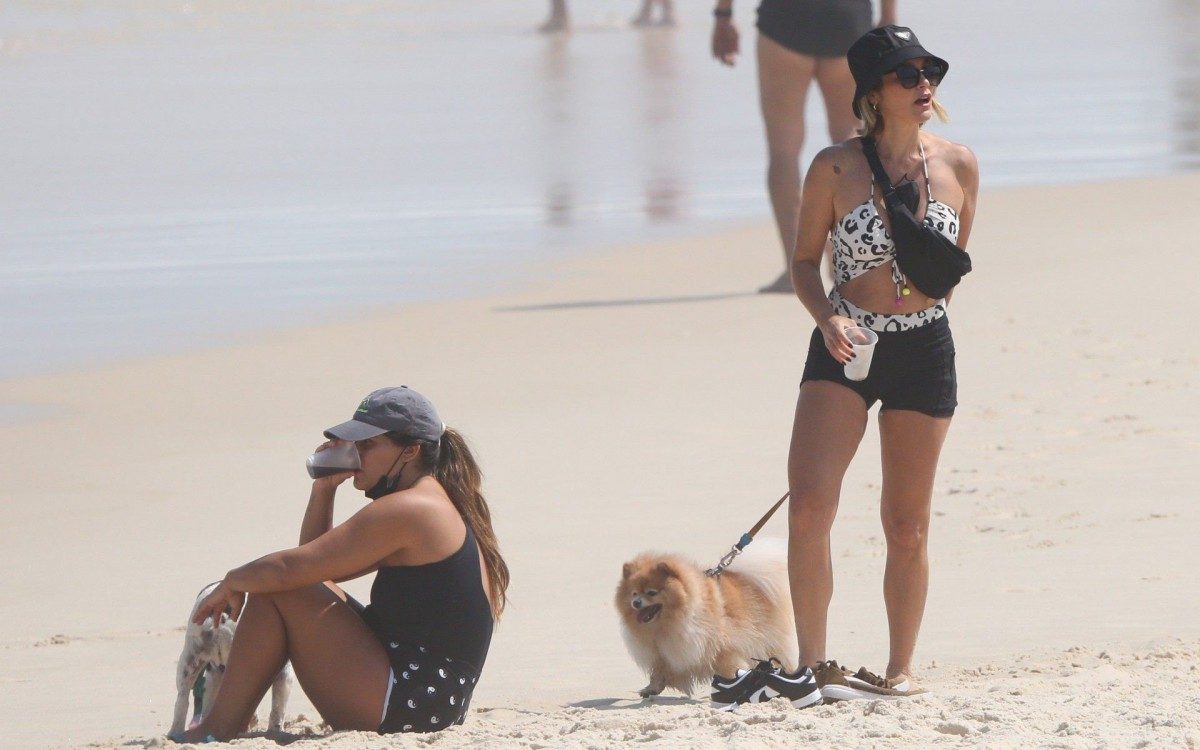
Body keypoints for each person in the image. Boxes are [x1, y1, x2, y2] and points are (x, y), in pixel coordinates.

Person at [785, 26, 978, 694]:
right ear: (873, 93)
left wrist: (913, 306)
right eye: (908, 75)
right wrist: (830, 315)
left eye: (929, 73)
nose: (924, 85)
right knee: (809, 506)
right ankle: (810, 666)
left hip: (924, 348)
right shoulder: (834, 168)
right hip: (846, 342)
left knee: (906, 523)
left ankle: (900, 670)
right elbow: (804, 263)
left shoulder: (959, 164)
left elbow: (951, 267)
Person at [176, 386, 509, 740]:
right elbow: (319, 568)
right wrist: (325, 489)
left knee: (278, 586)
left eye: (367, 445)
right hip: (427, 695)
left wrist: (232, 581)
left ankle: (216, 728)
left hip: (410, 699)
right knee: (282, 588)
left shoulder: (411, 509)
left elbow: (297, 570)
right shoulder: (428, 501)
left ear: (410, 451)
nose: (354, 454)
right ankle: (227, 720)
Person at [711, 0, 896, 293]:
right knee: (850, 145)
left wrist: (723, 14)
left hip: (786, 20)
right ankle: (848, 260)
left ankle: (795, 269)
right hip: (846, 20)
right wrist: (888, 18)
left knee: (783, 151)